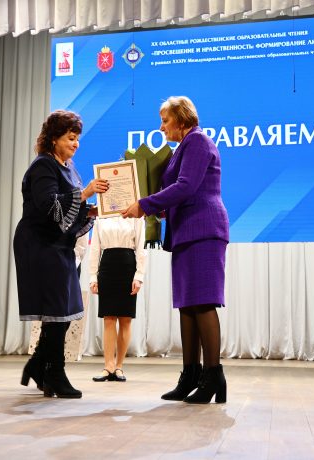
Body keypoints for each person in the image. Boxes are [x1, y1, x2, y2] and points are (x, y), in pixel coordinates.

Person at [122, 96, 229, 404]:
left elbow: (186, 186)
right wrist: (157, 208)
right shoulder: (184, 146)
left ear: (181, 120)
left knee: (202, 303)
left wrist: (145, 205)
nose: (161, 127)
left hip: (203, 229)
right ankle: (190, 375)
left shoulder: (197, 141)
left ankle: (213, 375)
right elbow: (181, 192)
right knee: (187, 305)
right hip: (186, 231)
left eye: (165, 120)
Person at [14, 110, 109, 399]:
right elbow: (50, 206)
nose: (76, 143)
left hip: (60, 245)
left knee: (64, 311)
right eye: (70, 137)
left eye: (77, 138)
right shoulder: (43, 165)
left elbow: (69, 210)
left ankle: (38, 365)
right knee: (57, 311)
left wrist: (91, 211)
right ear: (54, 139)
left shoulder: (69, 167)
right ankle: (54, 373)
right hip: (40, 244)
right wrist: (85, 194)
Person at [88, 215, 146, 382]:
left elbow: (141, 248)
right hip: (107, 266)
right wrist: (93, 275)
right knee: (108, 318)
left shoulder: (136, 216)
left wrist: (139, 275)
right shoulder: (101, 217)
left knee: (126, 319)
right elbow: (95, 248)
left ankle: (119, 366)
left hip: (128, 266)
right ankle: (108, 366)